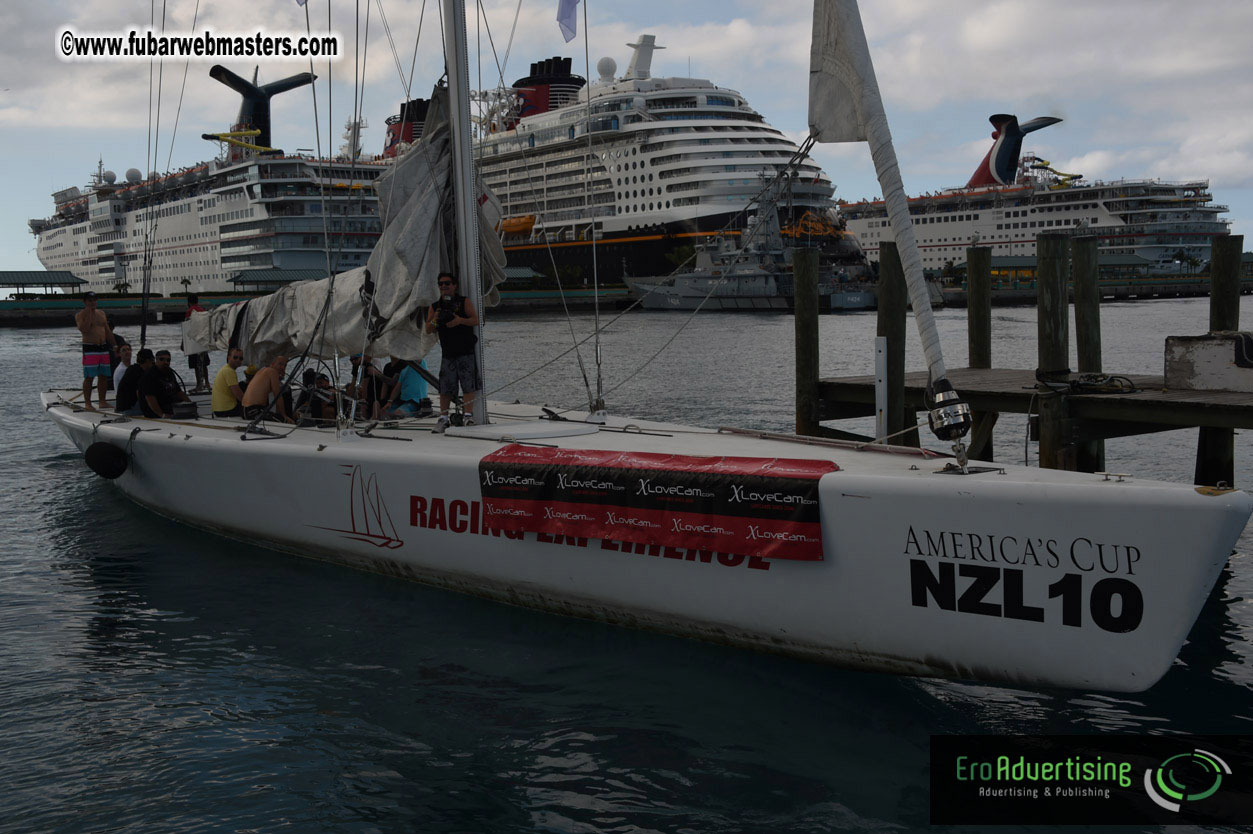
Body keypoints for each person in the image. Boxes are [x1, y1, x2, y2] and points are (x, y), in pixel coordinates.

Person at [425, 272, 480, 432]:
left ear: (454, 285)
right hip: (448, 353)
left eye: (447, 283)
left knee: (468, 385)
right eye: (441, 284)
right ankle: (443, 418)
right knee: (446, 387)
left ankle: (468, 416)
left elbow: (476, 320)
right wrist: (435, 318)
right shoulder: (435, 306)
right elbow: (428, 329)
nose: (444, 286)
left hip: (465, 350)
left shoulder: (464, 302)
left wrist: (459, 321)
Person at [75, 291, 116, 411]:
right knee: (89, 376)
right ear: (85, 302)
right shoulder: (80, 315)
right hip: (90, 348)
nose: (92, 303)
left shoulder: (101, 313)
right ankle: (88, 403)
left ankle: (102, 401)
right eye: (89, 301)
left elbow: (107, 331)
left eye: (94, 300)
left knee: (103, 376)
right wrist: (89, 314)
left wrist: (115, 346)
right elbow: (84, 329)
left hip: (102, 347)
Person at [241, 355, 293, 422]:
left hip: (245, 410)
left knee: (278, 417)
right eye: (280, 364)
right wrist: (283, 416)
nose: (283, 367)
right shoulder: (272, 372)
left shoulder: (262, 371)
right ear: (272, 364)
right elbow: (278, 396)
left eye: (285, 365)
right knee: (285, 421)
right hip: (253, 411)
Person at [138, 349, 189, 418]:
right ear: (156, 360)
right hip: (155, 413)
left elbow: (178, 392)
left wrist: (190, 403)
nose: (165, 362)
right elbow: (150, 398)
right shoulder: (149, 375)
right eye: (162, 359)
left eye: (168, 360)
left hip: (171, 408)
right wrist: (162, 415)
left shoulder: (169, 372)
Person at [184, 294, 211, 393]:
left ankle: (199, 385)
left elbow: (187, 328)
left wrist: (183, 343)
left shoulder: (190, 311)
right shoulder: (202, 310)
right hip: (203, 340)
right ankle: (207, 383)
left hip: (194, 341)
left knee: (196, 365)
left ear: (188, 302)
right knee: (204, 364)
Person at [116, 348, 154, 416]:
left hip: (121, 408)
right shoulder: (139, 373)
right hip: (129, 410)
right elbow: (140, 393)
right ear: (148, 361)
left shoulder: (132, 368)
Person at [211, 347, 246, 417]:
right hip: (227, 410)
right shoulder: (229, 371)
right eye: (235, 357)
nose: (238, 360)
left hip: (218, 410)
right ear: (229, 357)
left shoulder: (225, 369)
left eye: (240, 358)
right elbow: (238, 395)